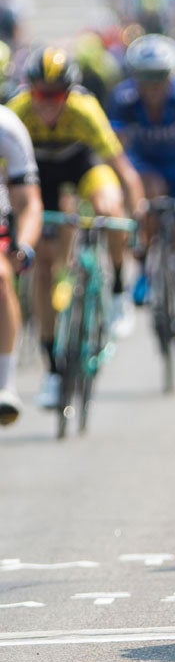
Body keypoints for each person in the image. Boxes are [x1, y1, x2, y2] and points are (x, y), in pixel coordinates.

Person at [7, 46, 145, 408]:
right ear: (29, 90)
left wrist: (137, 213)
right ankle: (52, 368)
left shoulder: (84, 110)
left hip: (82, 165)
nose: (48, 103)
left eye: (56, 95)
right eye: (40, 93)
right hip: (40, 177)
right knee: (41, 269)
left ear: (69, 92)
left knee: (108, 206)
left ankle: (116, 288)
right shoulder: (18, 113)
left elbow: (123, 168)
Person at [107, 34, 175, 361]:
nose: (153, 87)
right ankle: (142, 267)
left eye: (160, 78)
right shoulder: (123, 99)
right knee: (147, 192)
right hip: (146, 166)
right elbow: (118, 150)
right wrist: (125, 189)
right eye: (146, 79)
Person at [0, 105, 43, 424]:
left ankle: (5, 385)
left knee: (1, 276)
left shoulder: (7, 127)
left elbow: (28, 202)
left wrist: (25, 246)